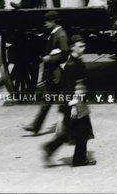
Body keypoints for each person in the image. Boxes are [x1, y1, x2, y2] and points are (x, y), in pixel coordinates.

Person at [42, 33, 96, 167]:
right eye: (80, 46)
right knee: (81, 131)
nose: (83, 48)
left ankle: (51, 148)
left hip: (77, 102)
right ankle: (78, 159)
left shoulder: (76, 61)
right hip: (74, 104)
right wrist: (73, 106)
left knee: (72, 132)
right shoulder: (72, 65)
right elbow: (69, 87)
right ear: (73, 47)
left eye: (83, 46)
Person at [23, 10, 69, 133]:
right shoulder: (53, 34)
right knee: (48, 100)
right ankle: (36, 126)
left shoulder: (61, 34)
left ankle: (67, 126)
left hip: (59, 74)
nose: (45, 24)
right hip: (52, 74)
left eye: (47, 21)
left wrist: (50, 58)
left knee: (64, 102)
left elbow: (64, 54)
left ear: (54, 21)